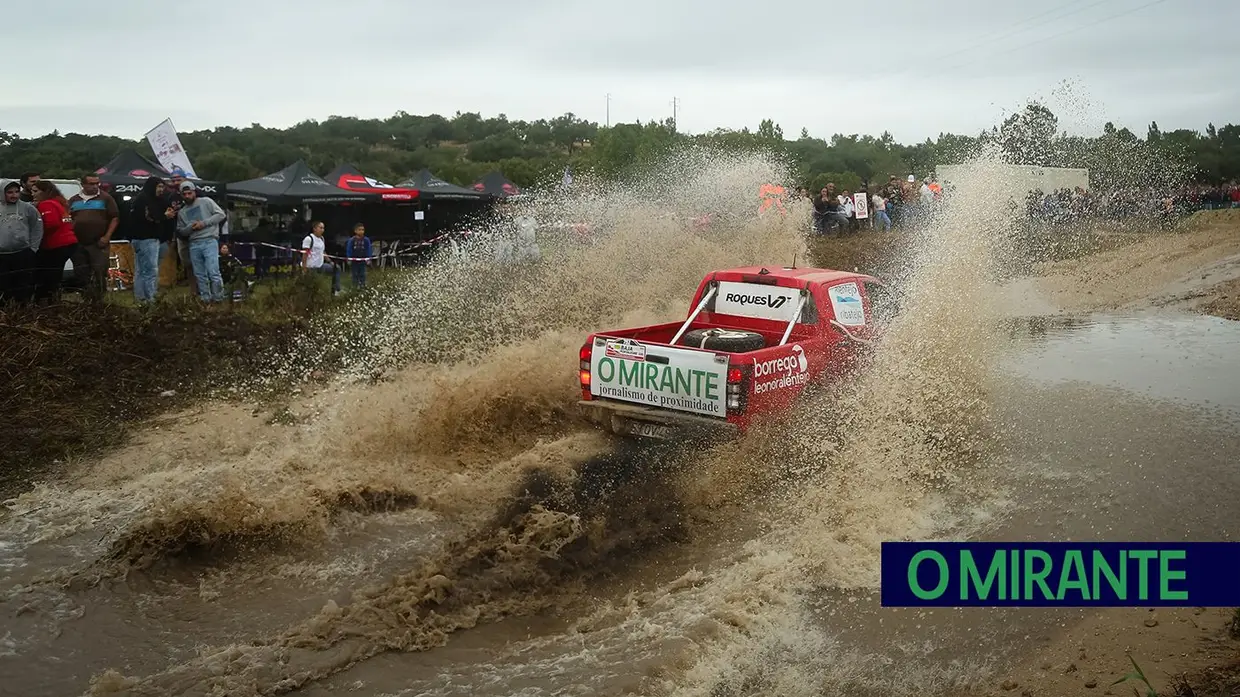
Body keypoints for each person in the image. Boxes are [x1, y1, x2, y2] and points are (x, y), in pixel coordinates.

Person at [67, 173, 120, 302]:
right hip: (78, 243)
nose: (95, 186)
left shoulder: (105, 198)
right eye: (91, 184)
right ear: (83, 184)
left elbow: (115, 217)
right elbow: (68, 218)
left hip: (98, 242)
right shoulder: (74, 200)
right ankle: (87, 300)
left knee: (99, 272)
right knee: (81, 273)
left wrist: (107, 237)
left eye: (97, 183)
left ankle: (99, 301)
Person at [174, 181, 227, 302]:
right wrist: (190, 227)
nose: (187, 196)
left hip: (209, 240)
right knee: (199, 274)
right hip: (194, 243)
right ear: (181, 195)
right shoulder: (182, 212)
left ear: (194, 192)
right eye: (184, 194)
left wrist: (203, 223)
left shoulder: (206, 201)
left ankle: (218, 297)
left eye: (189, 193)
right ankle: (205, 298)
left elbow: (221, 215)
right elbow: (181, 231)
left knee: (213, 271)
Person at [128, 176, 175, 304]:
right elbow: (149, 217)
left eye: (162, 187)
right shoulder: (143, 199)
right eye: (159, 187)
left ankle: (141, 299)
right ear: (152, 186)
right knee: (150, 270)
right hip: (146, 239)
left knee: (141, 270)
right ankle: (151, 298)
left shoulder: (156, 200)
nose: (161, 190)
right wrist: (165, 216)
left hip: (145, 239)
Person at [31, 181, 77, 302]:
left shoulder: (46, 204)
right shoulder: (59, 202)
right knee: (56, 274)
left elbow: (51, 223)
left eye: (35, 191)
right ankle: (53, 299)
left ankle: (48, 300)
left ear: (44, 192)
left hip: (56, 243)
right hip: (69, 242)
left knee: (49, 275)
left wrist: (35, 234)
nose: (33, 194)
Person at [0, 180, 43, 304]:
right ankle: (5, 312)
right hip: (2, 255)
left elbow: (37, 227)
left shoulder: (28, 208)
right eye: (9, 192)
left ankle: (23, 311)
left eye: (16, 192)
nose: (14, 195)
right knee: (3, 286)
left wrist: (33, 248)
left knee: (23, 286)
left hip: (22, 253)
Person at [301, 220, 341, 296]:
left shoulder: (322, 239)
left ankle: (336, 290)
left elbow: (323, 252)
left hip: (320, 266)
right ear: (315, 229)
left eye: (323, 228)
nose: (322, 230)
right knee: (311, 287)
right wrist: (304, 268)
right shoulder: (309, 239)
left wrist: (330, 262)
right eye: (320, 228)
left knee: (337, 268)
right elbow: (304, 254)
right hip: (311, 267)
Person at [345, 222, 371, 289]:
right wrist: (349, 258)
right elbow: (349, 249)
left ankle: (363, 285)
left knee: (363, 273)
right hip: (354, 260)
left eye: (363, 230)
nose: (361, 231)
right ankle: (354, 286)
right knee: (354, 274)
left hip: (363, 260)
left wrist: (368, 258)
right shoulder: (351, 240)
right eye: (359, 230)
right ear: (355, 231)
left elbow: (368, 249)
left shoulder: (366, 240)